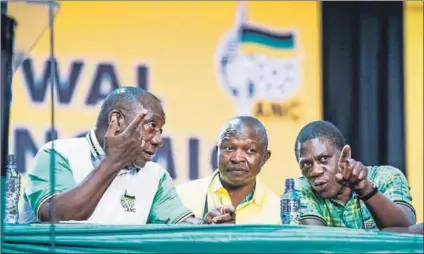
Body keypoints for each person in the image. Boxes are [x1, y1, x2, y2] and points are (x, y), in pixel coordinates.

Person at [20, 86, 235, 225]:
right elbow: (57, 215)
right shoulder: (58, 154)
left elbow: (181, 225)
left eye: (161, 131)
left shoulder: (156, 177)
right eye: (151, 126)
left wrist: (207, 224)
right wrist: (114, 161)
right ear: (117, 121)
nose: (159, 140)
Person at [285, 120, 419, 233]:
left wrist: (366, 190)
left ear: (346, 155)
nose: (315, 171)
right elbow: (315, 244)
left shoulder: (386, 177)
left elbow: (406, 229)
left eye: (324, 159)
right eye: (306, 164)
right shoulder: (297, 191)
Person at [177, 116, 281, 224]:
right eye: (229, 148)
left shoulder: (278, 212)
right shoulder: (181, 198)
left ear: (265, 158)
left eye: (250, 150)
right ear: (217, 151)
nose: (237, 158)